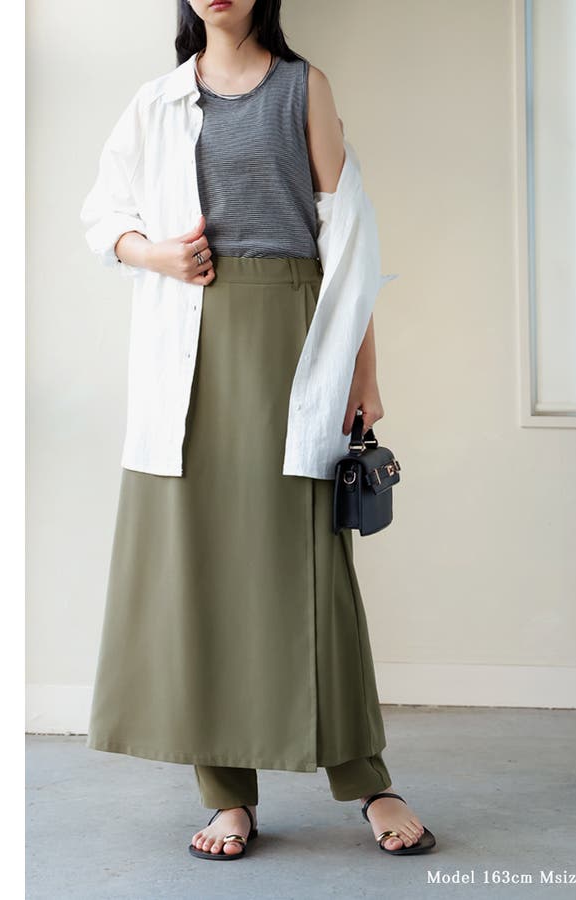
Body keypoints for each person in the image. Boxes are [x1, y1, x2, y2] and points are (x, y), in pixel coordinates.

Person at [79, 0, 436, 860]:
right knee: (202, 567)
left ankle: (369, 780)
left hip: (292, 339)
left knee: (311, 564)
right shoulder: (157, 101)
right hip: (188, 350)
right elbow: (102, 219)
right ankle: (227, 796)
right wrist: (157, 254)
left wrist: (365, 372)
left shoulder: (303, 88)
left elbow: (348, 240)